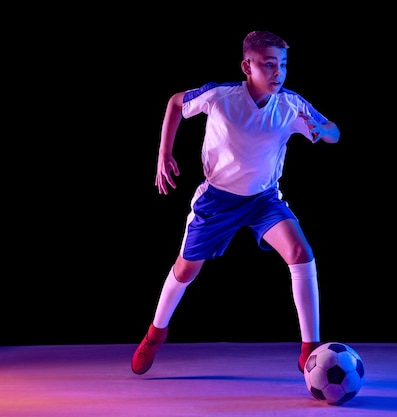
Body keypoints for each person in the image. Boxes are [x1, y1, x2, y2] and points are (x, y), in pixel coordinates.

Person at [131, 30, 340, 375]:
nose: (278, 73)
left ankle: (310, 349)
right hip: (217, 200)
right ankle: (155, 334)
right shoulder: (220, 97)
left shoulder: (291, 106)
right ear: (247, 66)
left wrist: (323, 131)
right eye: (269, 65)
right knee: (185, 270)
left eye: (283, 65)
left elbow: (333, 130)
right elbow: (174, 103)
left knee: (301, 253)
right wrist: (163, 154)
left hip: (264, 200)